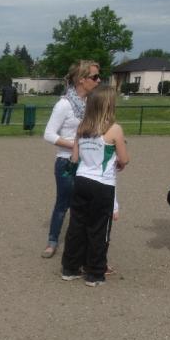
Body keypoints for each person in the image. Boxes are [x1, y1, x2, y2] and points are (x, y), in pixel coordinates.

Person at [60, 85, 129, 287]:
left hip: (81, 180)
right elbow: (124, 159)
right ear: (109, 105)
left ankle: (70, 268)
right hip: (102, 184)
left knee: (77, 226)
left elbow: (74, 158)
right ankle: (95, 273)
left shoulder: (82, 128)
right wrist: (119, 161)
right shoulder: (114, 129)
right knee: (99, 229)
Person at [41, 60, 101, 258]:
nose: (98, 81)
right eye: (94, 77)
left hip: (89, 162)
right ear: (82, 79)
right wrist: (75, 145)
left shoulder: (92, 103)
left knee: (87, 205)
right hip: (67, 162)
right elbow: (48, 134)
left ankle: (80, 243)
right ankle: (52, 241)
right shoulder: (64, 105)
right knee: (63, 204)